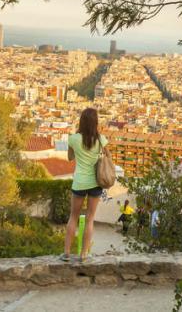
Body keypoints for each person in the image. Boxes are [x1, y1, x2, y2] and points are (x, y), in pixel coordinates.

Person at [60, 108, 108, 262]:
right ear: (95, 123)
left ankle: (67, 253)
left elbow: (69, 157)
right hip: (95, 182)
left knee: (73, 217)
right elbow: (108, 156)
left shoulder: (73, 139)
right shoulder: (101, 139)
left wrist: (78, 152)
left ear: (81, 121)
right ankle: (84, 254)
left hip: (79, 182)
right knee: (90, 218)